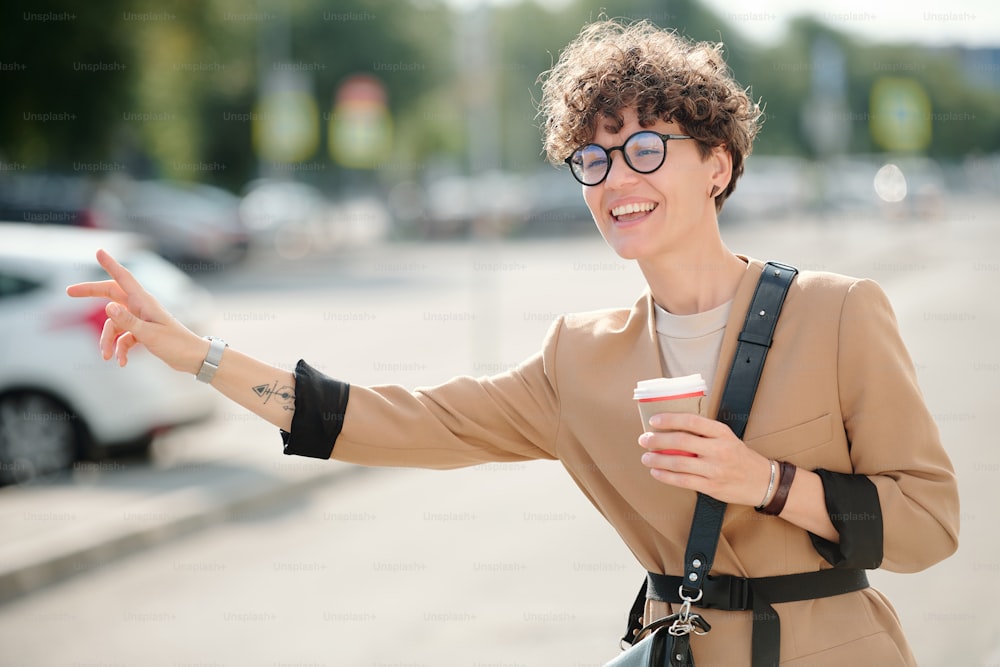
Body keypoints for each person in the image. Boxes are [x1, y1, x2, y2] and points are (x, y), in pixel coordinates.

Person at [68, 18, 958, 667]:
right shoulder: (580, 357)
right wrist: (199, 355)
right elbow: (395, 420)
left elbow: (926, 526)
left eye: (646, 146)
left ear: (717, 162)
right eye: (594, 157)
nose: (617, 178)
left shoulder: (839, 311)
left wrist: (762, 481)